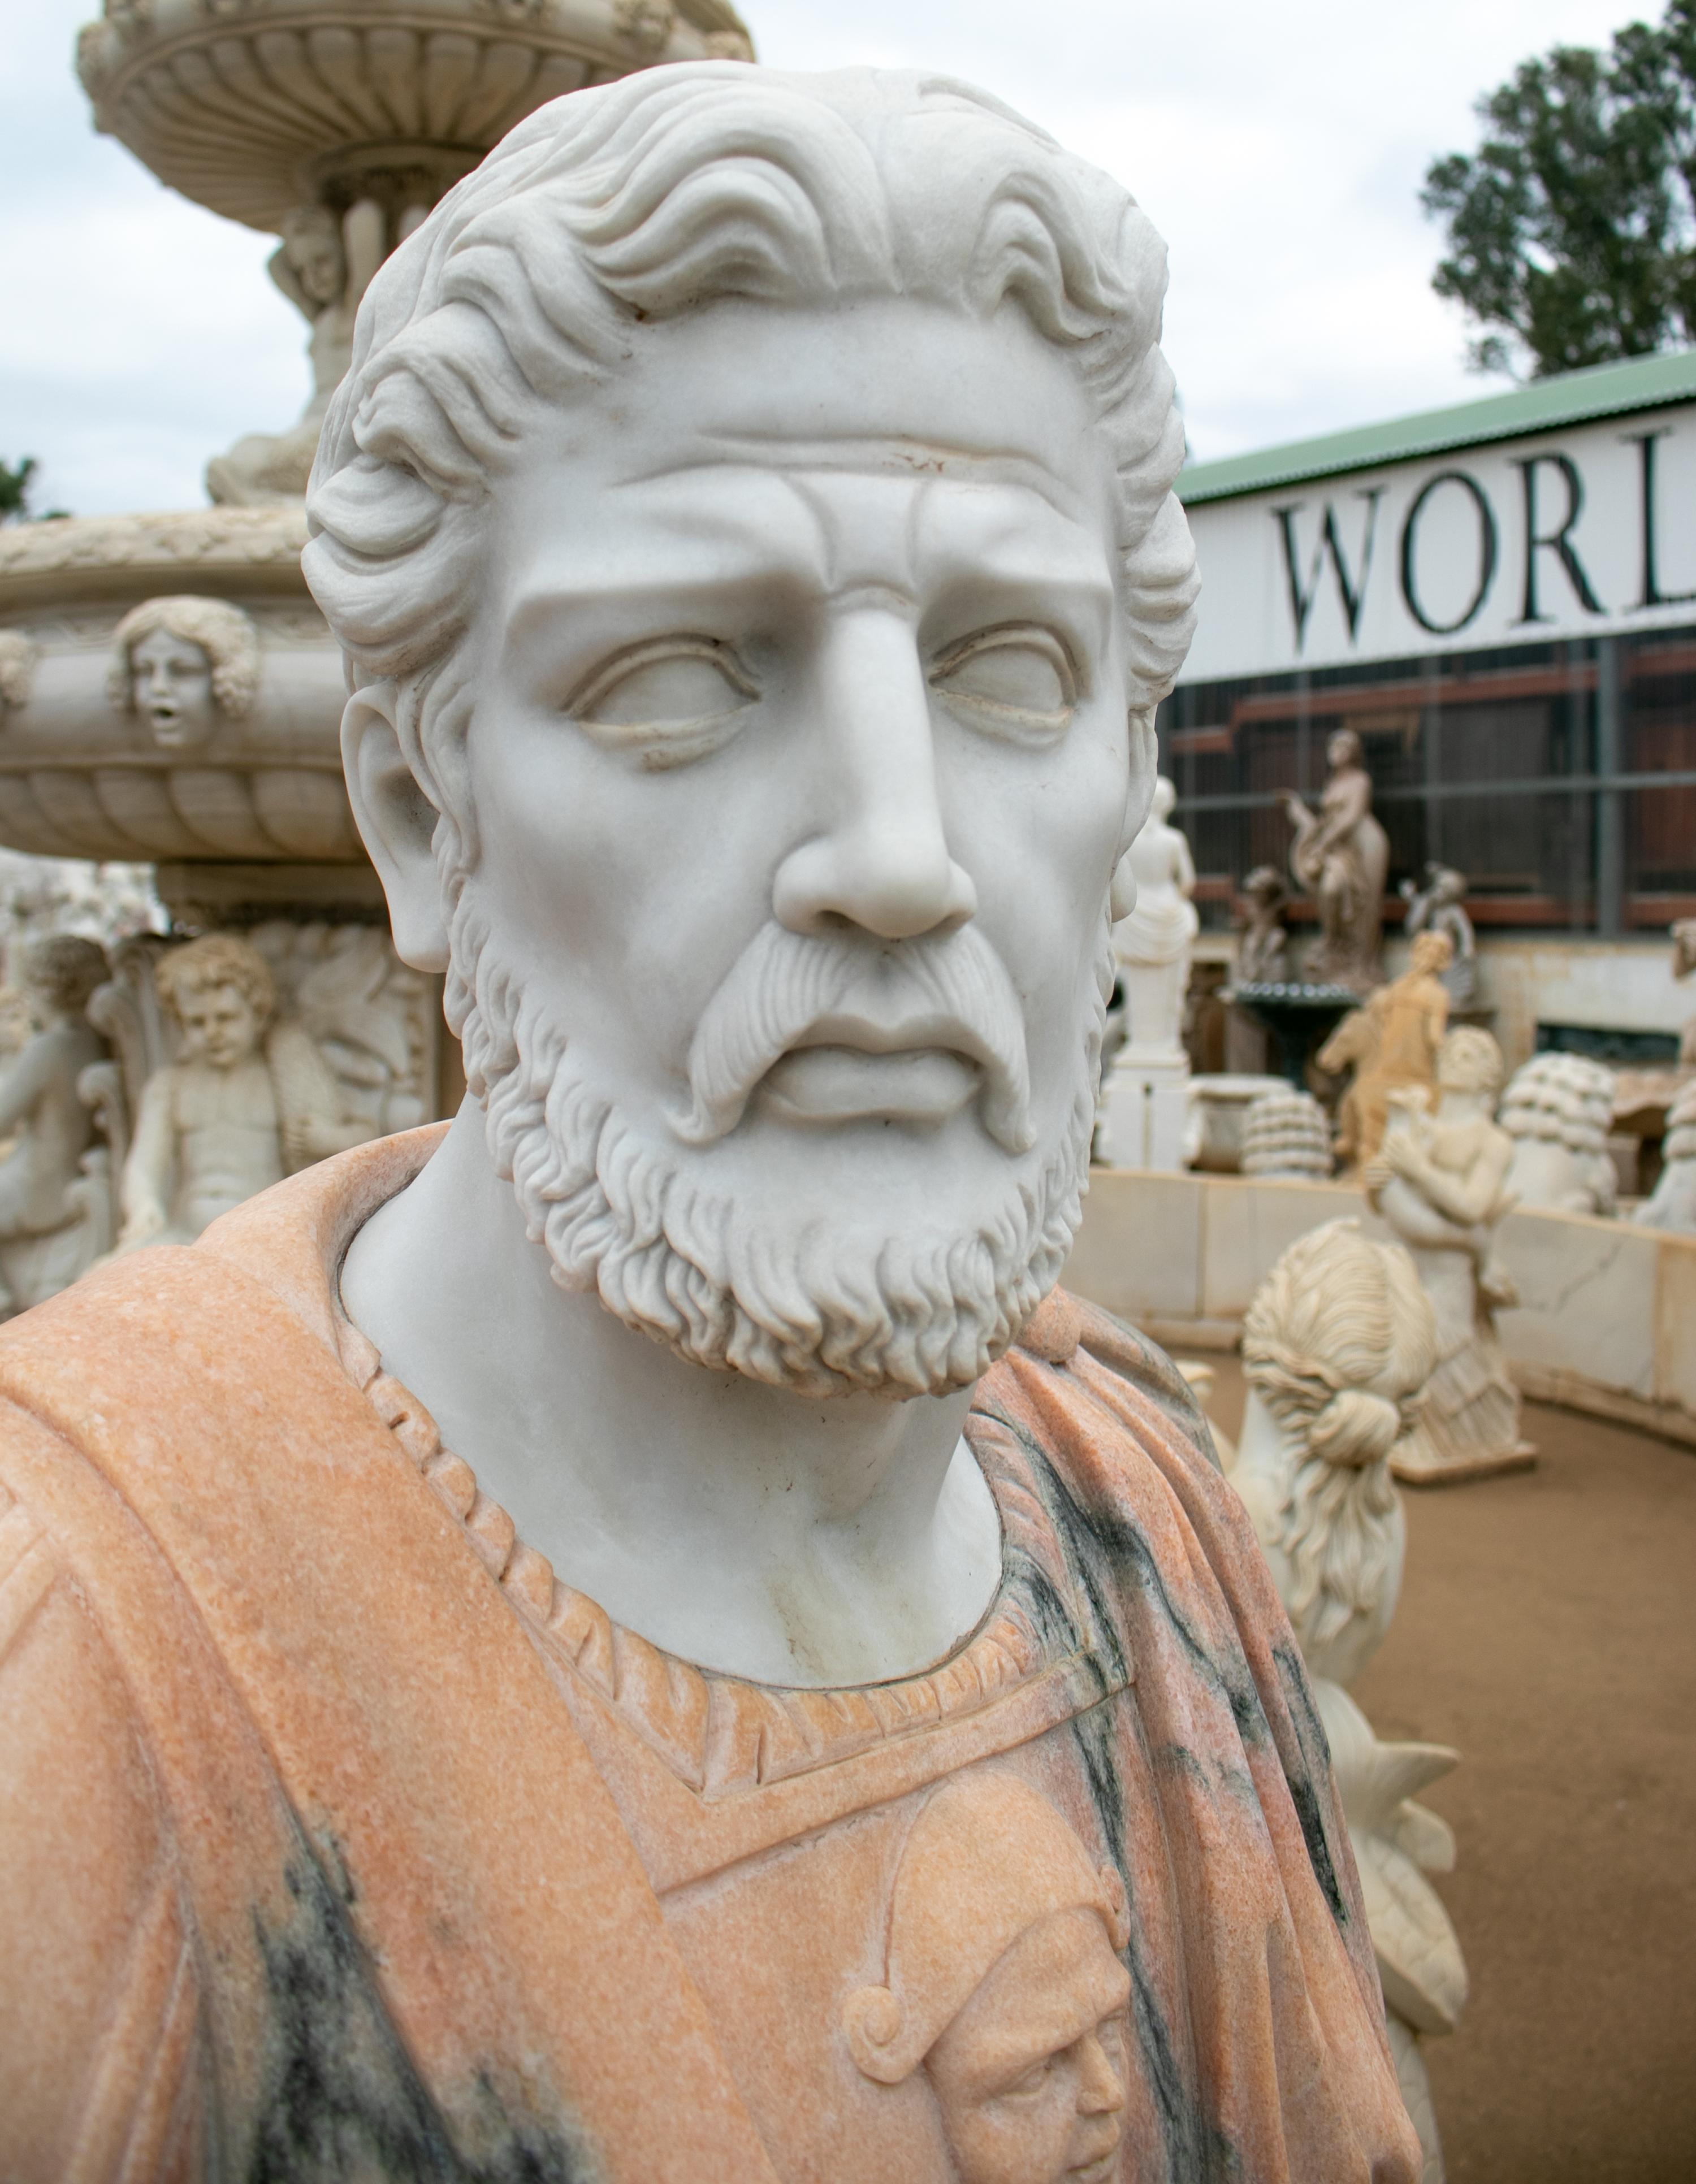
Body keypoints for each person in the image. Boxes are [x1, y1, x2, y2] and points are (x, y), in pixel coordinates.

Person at [0, 68, 1417, 2182]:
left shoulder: (1152, 1506)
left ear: (1128, 774)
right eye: (679, 672)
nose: (896, 852)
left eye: (1008, 668)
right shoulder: (84, 1666)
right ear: (415, 808)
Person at [117, 934, 373, 1247]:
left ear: (258, 1014)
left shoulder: (280, 1074)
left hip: (263, 1233)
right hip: (187, 1235)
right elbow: (143, 1166)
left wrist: (328, 1138)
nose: (213, 1033)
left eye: (226, 1018)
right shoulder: (170, 1085)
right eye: (197, 1022)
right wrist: (144, 1206)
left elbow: (369, 1141)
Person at [1280, 729, 1390, 991]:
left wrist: (1324, 842)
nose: (1337, 753)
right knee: (1329, 889)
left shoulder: (1360, 781)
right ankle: (1333, 941)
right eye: (1334, 747)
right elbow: (1326, 820)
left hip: (1362, 845)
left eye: (1343, 748)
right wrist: (1301, 816)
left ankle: (1361, 960)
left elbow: (1352, 816)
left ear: (1353, 753)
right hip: (1337, 846)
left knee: (1364, 902)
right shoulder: (1331, 783)